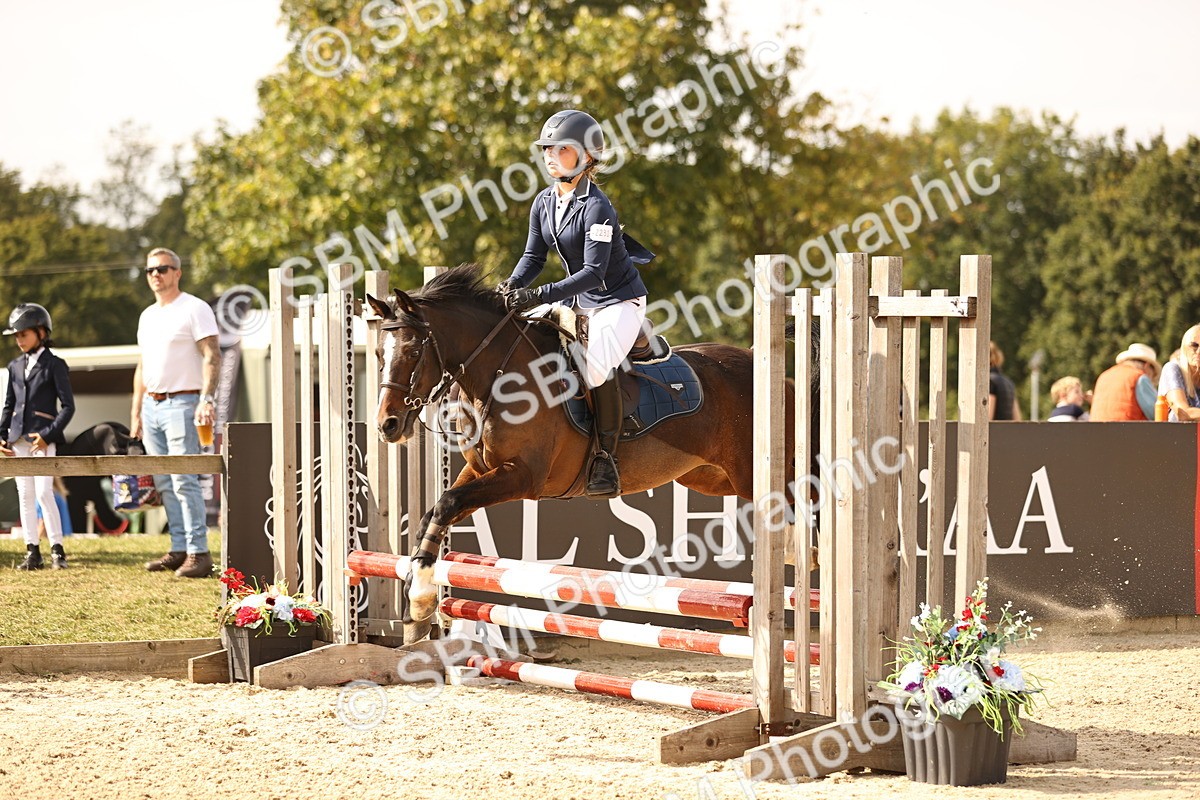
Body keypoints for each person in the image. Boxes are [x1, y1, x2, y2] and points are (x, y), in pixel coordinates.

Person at [497, 109, 654, 498]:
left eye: (561, 149)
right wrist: (513, 285)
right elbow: (533, 257)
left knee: (594, 370)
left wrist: (539, 295)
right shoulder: (543, 202)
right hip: (578, 301)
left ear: (587, 156)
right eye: (547, 149)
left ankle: (605, 457)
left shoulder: (597, 207)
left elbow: (593, 274)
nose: (551, 156)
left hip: (617, 301)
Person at [132, 247, 220, 578]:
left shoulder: (194, 308)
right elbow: (142, 365)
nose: (156, 274)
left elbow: (212, 355)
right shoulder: (146, 316)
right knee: (164, 482)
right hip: (152, 405)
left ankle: (199, 553)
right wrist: (136, 411)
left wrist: (206, 399)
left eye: (163, 268)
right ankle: (179, 548)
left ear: (177, 273)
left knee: (184, 480)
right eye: (150, 270)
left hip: (183, 403)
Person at [0, 304, 74, 569]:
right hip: (18, 439)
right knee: (25, 494)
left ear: (41, 332)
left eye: (24, 334)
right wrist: (2, 435)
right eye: (16, 336)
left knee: (44, 493)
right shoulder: (14, 366)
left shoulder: (55, 365)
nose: (19, 340)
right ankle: (32, 551)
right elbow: (9, 405)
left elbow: (68, 407)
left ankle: (57, 550)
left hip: (42, 439)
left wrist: (47, 435)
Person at [1090, 342, 1159, 421]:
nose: (1151, 379)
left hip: (1095, 428)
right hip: (1128, 427)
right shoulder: (1140, 377)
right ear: (1147, 366)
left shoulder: (1103, 376)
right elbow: (1156, 413)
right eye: (1153, 374)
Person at [1159, 325, 1200, 421]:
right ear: (1184, 347)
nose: (1199, 351)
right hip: (1174, 431)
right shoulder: (1172, 369)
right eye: (1194, 345)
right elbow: (1183, 413)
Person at [988, 341, 1021, 420]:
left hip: (994, 428)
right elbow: (1017, 418)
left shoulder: (990, 381)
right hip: (1006, 427)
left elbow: (988, 416)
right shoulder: (1009, 382)